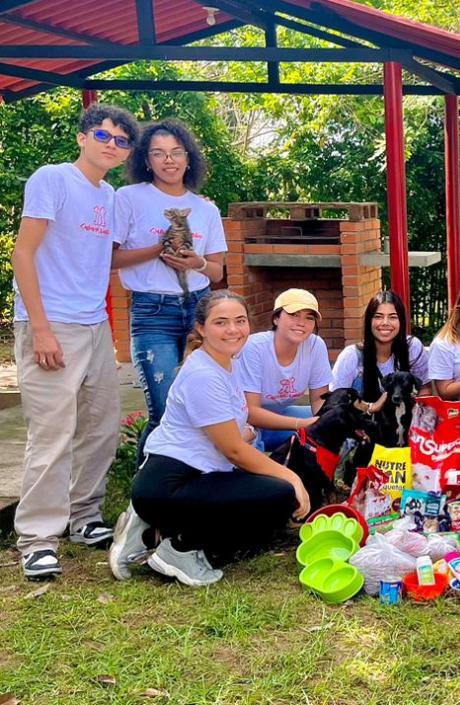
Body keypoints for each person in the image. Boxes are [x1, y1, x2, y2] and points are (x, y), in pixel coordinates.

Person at [11, 104, 140, 580]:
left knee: (100, 427)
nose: (111, 144)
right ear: (83, 138)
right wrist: (40, 327)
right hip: (51, 325)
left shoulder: (108, 196)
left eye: (121, 141)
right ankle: (38, 538)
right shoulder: (52, 179)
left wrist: (168, 251)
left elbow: (104, 261)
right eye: (103, 135)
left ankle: (84, 517)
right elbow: (23, 253)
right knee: (52, 435)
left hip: (94, 327)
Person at [109, 290, 308, 586]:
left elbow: (220, 430)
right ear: (201, 328)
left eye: (240, 321)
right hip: (170, 484)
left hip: (194, 477)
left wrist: (244, 433)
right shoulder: (203, 374)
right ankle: (180, 548)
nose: (233, 330)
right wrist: (292, 477)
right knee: (279, 494)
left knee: (264, 521)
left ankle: (152, 532)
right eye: (221, 322)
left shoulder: (227, 363)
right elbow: (234, 451)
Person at [112, 118, 226, 459]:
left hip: (200, 311)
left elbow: (218, 271)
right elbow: (111, 259)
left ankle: (194, 481)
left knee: (202, 405)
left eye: (177, 152)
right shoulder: (128, 198)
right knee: (163, 409)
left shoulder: (206, 209)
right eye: (158, 153)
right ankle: (146, 496)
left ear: (189, 158)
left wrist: (196, 263)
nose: (169, 160)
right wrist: (156, 250)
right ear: (146, 160)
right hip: (151, 312)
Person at [237, 289, 333, 453]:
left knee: (338, 422)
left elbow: (319, 401)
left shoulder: (315, 345)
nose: (301, 322)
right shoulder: (254, 348)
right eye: (294, 314)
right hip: (245, 422)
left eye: (309, 318)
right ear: (276, 319)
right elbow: (251, 412)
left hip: (280, 416)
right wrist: (301, 424)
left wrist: (323, 426)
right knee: (255, 459)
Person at [331, 290, 431, 401]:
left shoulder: (412, 347)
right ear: (369, 321)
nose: (385, 322)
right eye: (378, 317)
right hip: (359, 416)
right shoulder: (351, 356)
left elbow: (424, 389)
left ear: (401, 321)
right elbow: (335, 402)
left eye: (392, 317)